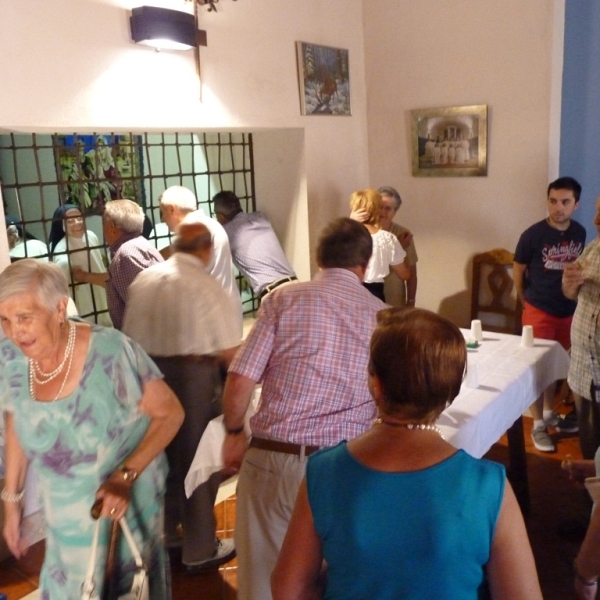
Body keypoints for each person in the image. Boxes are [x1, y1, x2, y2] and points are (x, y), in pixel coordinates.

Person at [272, 308, 543, 600]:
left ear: (376, 384)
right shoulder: (488, 486)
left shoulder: (323, 471)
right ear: (451, 391)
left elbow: (288, 589)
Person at [221, 218, 387, 600]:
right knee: (332, 580)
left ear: (318, 257)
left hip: (273, 457)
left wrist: (233, 432)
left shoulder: (283, 299)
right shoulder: (382, 316)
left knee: (263, 579)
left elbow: (241, 379)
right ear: (365, 263)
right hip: (344, 466)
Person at [0, 259, 184, 599]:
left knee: (128, 589)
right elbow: (16, 416)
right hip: (65, 520)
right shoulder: (10, 356)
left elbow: (170, 414)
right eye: (4, 320)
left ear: (58, 309)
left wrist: (124, 476)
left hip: (123, 511)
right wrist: (12, 500)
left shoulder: (110, 352)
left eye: (24, 318)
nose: (14, 331)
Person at [123, 221, 241, 573]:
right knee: (198, 462)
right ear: (206, 249)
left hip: (145, 377)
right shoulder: (206, 285)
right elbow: (228, 351)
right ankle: (200, 547)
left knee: (161, 460)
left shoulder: (145, 279)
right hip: (193, 378)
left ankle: (164, 534)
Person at [514, 176, 586, 452]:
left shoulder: (580, 233)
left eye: (565, 202)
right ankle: (537, 425)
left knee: (556, 366)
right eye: (553, 201)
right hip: (538, 309)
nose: (558, 207)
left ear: (576, 204)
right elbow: (518, 268)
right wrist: (523, 299)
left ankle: (548, 413)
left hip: (569, 310)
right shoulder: (532, 235)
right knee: (536, 367)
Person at [158, 185, 243, 335]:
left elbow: (184, 280)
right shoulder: (210, 224)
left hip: (211, 321)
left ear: (172, 209)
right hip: (226, 313)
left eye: (162, 212)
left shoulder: (193, 230)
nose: (163, 219)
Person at [72, 199, 163, 330]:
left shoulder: (125, 255)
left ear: (112, 228)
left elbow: (141, 309)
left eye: (104, 224)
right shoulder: (140, 244)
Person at [563, 194, 600, 459]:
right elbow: (571, 294)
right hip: (583, 366)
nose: (596, 220)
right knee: (589, 443)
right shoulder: (594, 247)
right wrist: (570, 282)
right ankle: (593, 496)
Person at [212, 191, 298, 299]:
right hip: (296, 285)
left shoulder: (226, 233)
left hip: (275, 295)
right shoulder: (261, 217)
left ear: (221, 215)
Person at [48, 204, 112, 327]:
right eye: (70, 221)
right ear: (61, 225)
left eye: (79, 218)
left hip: (100, 292)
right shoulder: (62, 248)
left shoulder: (91, 236)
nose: (77, 223)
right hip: (83, 299)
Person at [349, 188, 409, 301]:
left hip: (348, 291)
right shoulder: (387, 238)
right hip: (374, 291)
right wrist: (400, 249)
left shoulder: (341, 234)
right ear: (376, 209)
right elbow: (405, 275)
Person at [378, 185, 418, 307]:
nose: (382, 212)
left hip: (394, 301)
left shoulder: (402, 234)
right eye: (379, 207)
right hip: (369, 299)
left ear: (395, 212)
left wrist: (411, 302)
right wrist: (398, 247)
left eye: (388, 208)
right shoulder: (363, 232)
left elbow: (411, 275)